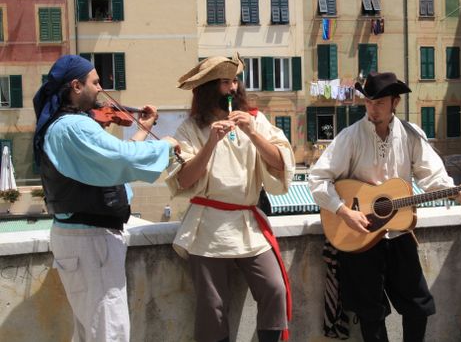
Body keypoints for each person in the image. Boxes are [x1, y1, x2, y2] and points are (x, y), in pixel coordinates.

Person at [309, 72, 461, 342]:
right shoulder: (349, 137)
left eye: (380, 103)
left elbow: (432, 176)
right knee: (370, 312)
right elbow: (317, 179)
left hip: (398, 234)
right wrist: (344, 211)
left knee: (419, 306)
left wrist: (456, 192)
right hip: (359, 234)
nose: (373, 109)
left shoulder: (410, 134)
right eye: (369, 102)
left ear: (395, 102)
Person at [32, 54, 179, 342]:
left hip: (83, 237)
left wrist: (141, 130)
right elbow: (120, 159)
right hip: (90, 241)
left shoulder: (66, 125)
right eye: (95, 81)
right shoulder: (74, 126)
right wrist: (166, 147)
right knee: (109, 332)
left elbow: (112, 163)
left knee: (93, 331)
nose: (101, 88)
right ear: (76, 86)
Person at [166, 54, 295, 342]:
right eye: (225, 82)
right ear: (209, 88)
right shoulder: (190, 129)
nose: (233, 88)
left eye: (235, 80)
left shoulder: (255, 120)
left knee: (274, 289)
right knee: (213, 307)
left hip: (248, 222)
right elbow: (184, 179)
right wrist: (210, 143)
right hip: (207, 225)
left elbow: (281, 163)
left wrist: (252, 133)